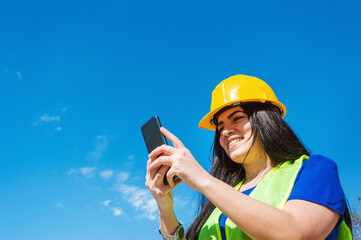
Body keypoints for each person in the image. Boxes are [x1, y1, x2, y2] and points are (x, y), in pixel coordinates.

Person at [145, 74, 353, 240]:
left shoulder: (314, 171)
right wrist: (165, 205)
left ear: (265, 120)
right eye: (220, 127)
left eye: (237, 118)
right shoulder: (221, 199)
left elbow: (296, 234)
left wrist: (202, 179)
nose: (225, 131)